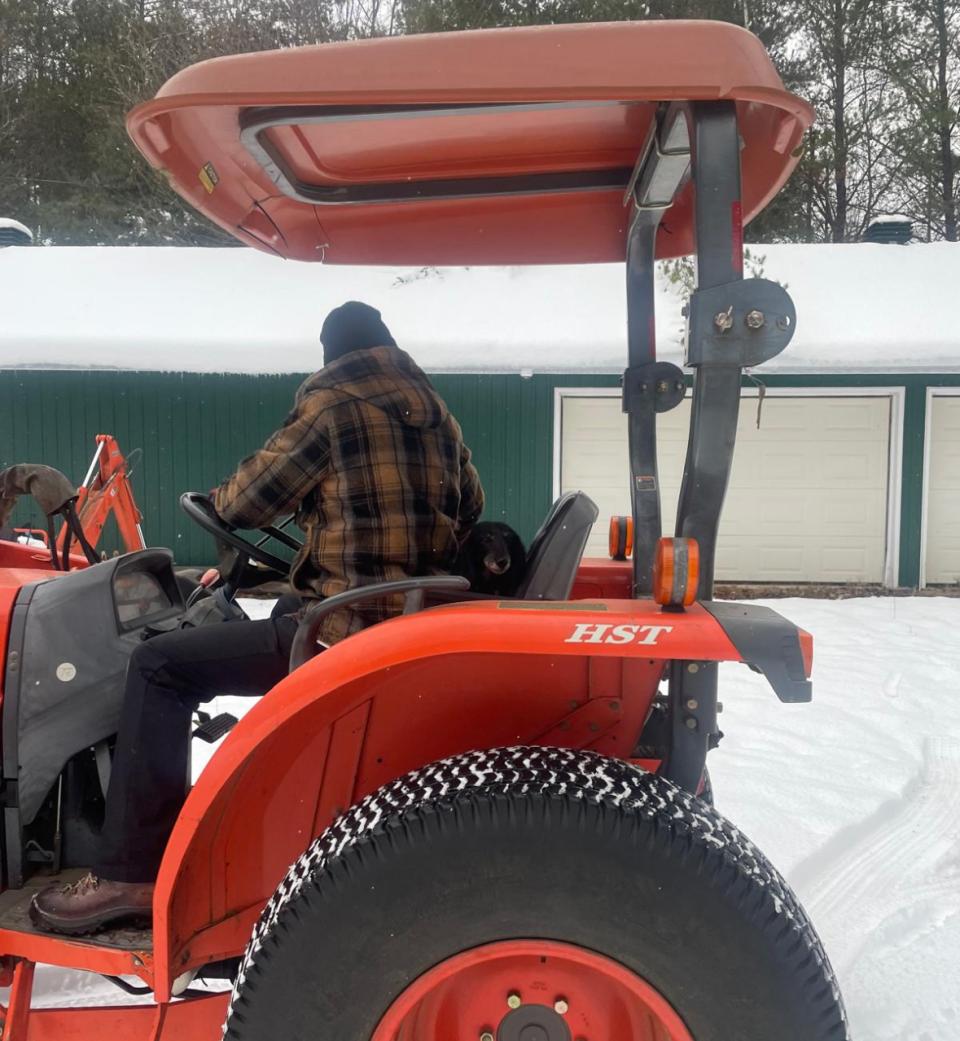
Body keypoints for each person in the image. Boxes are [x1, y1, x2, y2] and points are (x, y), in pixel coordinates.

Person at [31, 302, 484, 934]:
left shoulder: (331, 408)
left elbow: (246, 502)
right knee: (282, 606)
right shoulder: (438, 415)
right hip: (407, 618)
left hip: (345, 633)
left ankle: (131, 869)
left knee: (157, 665)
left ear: (333, 355)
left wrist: (217, 501)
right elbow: (472, 507)